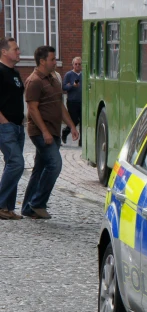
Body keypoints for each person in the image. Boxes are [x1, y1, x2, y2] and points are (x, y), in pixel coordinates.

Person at [21, 46, 78, 220]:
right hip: (40, 132)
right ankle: (38, 203)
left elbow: (60, 106)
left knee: (39, 169)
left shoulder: (54, 79)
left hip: (53, 131)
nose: (55, 62)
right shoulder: (34, 81)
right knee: (55, 164)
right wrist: (45, 132)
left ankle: (27, 208)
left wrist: (72, 126)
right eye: (52, 59)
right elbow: (33, 109)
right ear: (42, 61)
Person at [0, 37, 25, 220]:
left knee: (12, 165)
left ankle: (8, 208)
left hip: (18, 126)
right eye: (15, 49)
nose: (19, 52)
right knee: (17, 163)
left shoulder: (15, 73)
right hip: (5, 127)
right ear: (4, 52)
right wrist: (4, 122)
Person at [61, 56, 82, 145]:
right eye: (75, 64)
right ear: (73, 65)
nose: (77, 66)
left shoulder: (83, 74)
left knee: (82, 121)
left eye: (79, 64)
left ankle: (81, 141)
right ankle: (65, 132)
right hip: (72, 101)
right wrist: (72, 85)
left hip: (82, 101)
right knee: (74, 120)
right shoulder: (69, 74)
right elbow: (64, 87)